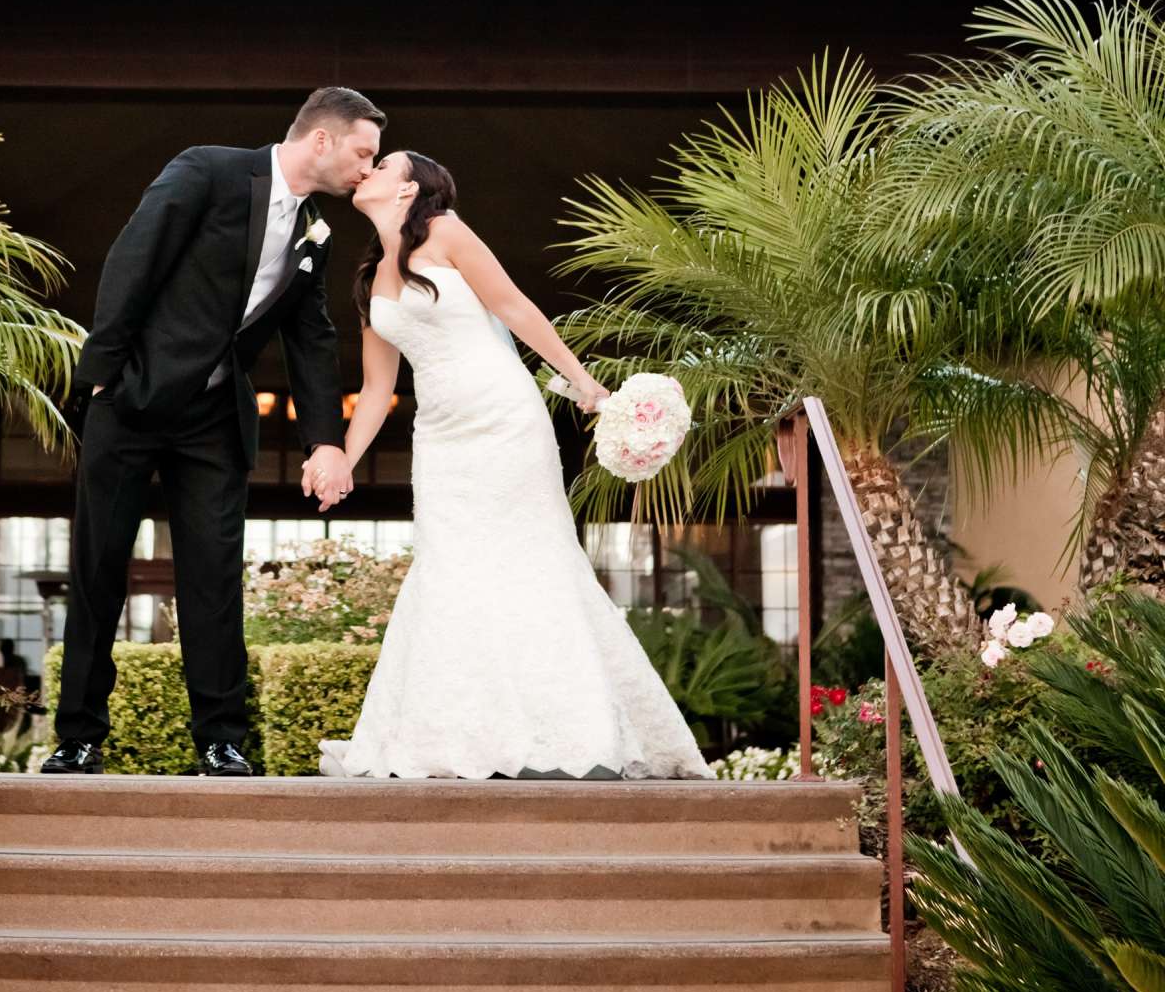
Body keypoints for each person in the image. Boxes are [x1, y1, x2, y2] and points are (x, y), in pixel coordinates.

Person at [319, 150, 711, 782]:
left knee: (533, 557)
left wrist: (584, 384)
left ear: (408, 188)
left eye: (382, 163)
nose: (366, 169)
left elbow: (516, 308)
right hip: (441, 438)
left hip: (504, 418)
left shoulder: (444, 230)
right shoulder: (368, 278)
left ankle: (573, 730)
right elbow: (374, 388)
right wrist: (345, 460)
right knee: (449, 567)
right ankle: (462, 733)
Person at [46, 86, 385, 778]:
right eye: (363, 151)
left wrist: (325, 439)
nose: (368, 168)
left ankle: (220, 741)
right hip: (131, 403)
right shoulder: (208, 170)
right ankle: (78, 738)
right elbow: (133, 258)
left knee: (213, 581)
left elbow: (311, 337)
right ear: (321, 139)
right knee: (98, 569)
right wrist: (101, 377)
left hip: (215, 421)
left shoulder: (315, 231)